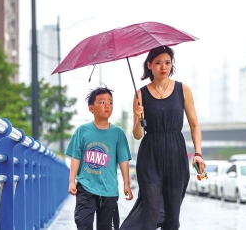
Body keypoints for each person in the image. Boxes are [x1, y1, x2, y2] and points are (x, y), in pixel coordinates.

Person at [120, 45, 205, 230]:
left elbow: (194, 124)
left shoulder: (183, 89)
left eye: (167, 62)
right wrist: (138, 119)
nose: (163, 66)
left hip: (176, 153)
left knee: (172, 216)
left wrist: (198, 153)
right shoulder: (140, 94)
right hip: (150, 155)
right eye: (158, 63)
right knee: (151, 213)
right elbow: (137, 135)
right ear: (149, 65)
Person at [66, 86, 134, 230]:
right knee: (83, 224)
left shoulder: (118, 133)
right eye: (102, 102)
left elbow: (123, 160)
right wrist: (72, 181)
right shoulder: (82, 131)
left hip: (109, 189)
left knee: (106, 227)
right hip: (86, 187)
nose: (107, 105)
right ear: (91, 108)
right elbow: (76, 157)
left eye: (110, 102)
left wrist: (126, 183)